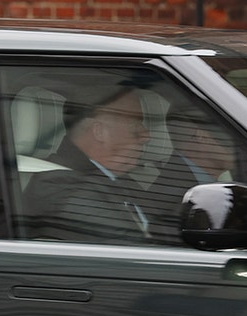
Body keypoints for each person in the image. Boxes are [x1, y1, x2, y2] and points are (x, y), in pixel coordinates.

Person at [21, 84, 176, 244]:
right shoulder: (59, 186)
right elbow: (131, 248)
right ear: (100, 132)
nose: (146, 135)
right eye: (134, 123)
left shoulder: (120, 180)